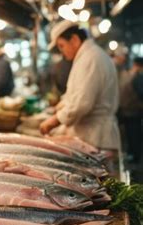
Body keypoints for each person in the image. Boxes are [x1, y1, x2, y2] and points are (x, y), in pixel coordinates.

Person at [40, 20, 120, 152]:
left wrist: (53, 121)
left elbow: (82, 104)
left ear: (75, 40)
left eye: (61, 46)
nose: (62, 52)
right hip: (91, 135)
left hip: (95, 137)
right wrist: (59, 106)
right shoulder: (88, 56)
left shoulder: (91, 58)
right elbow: (75, 94)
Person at [117, 56, 143, 162]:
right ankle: (135, 157)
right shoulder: (138, 76)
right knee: (134, 134)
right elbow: (141, 93)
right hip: (134, 111)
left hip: (125, 109)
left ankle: (131, 154)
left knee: (130, 134)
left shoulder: (126, 74)